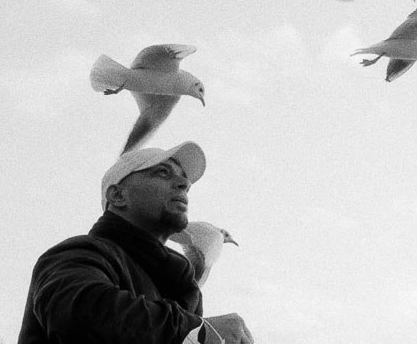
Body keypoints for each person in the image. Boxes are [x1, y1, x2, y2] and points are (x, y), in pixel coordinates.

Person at [17, 141, 252, 344]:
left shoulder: (179, 288)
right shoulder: (79, 254)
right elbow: (81, 316)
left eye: (185, 182)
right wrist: (198, 331)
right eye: (163, 172)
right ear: (118, 195)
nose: (183, 183)